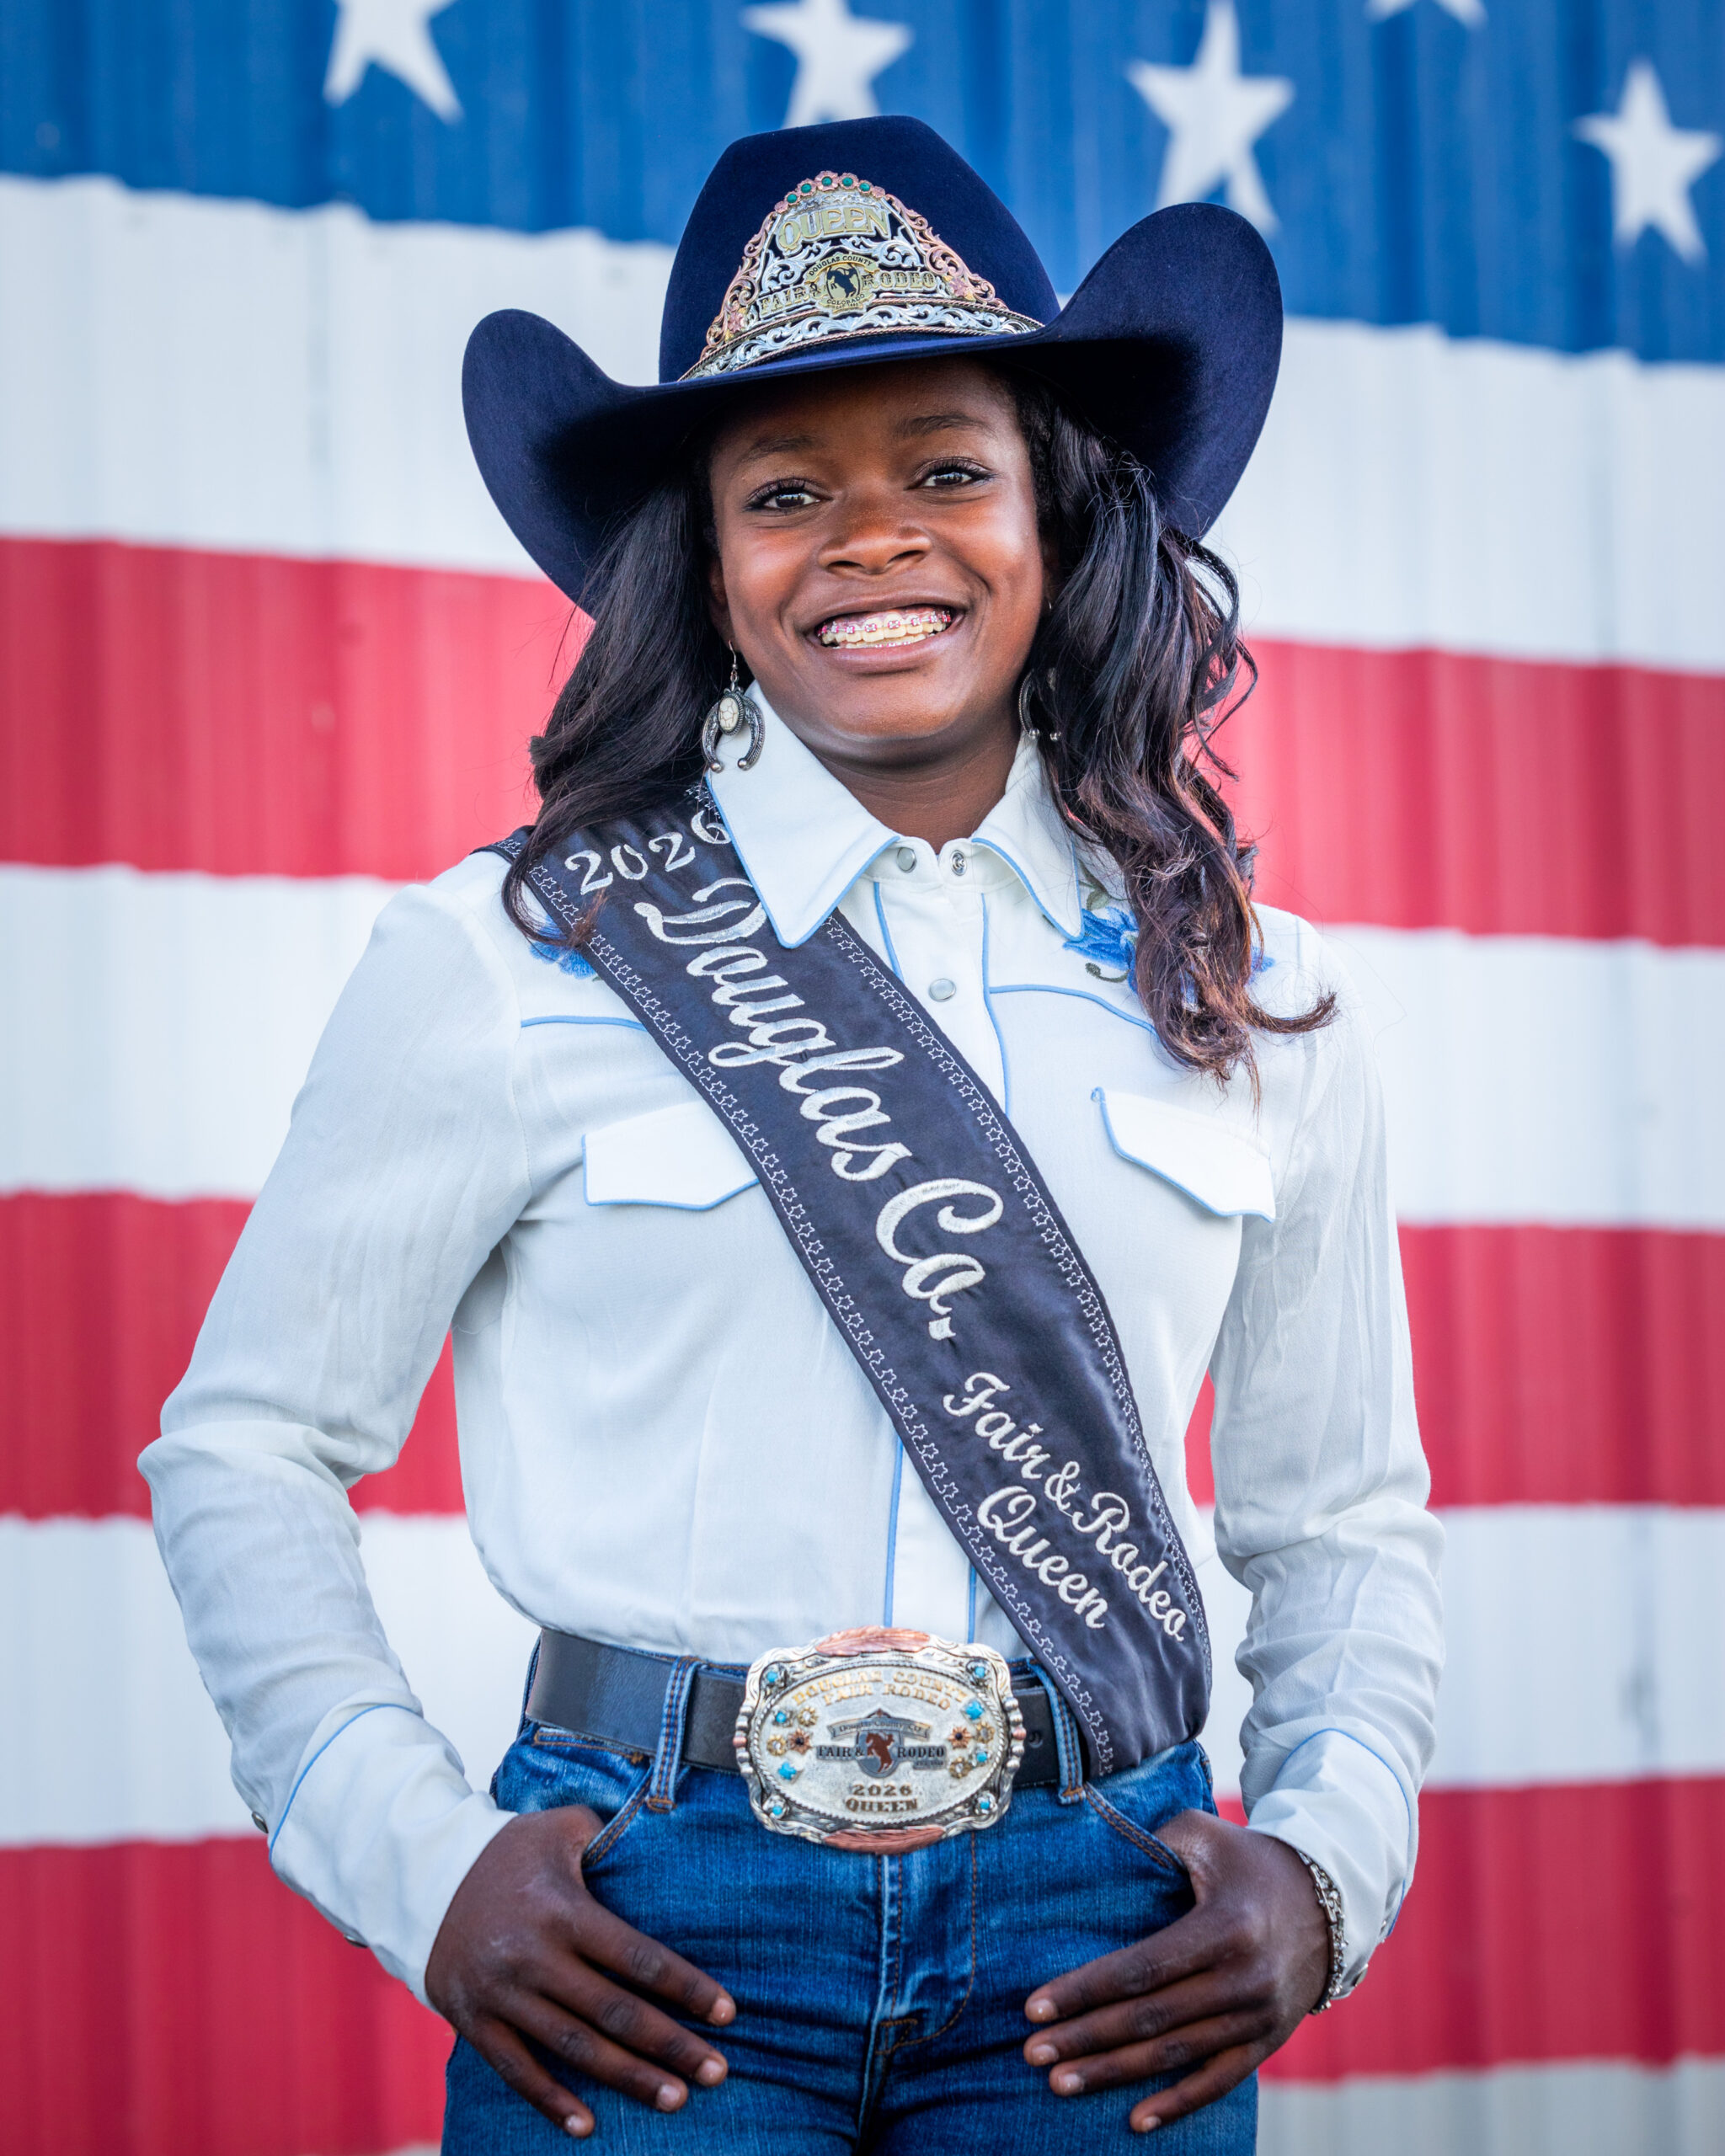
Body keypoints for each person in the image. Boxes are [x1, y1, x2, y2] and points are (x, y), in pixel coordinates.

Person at [145, 117, 1442, 2154]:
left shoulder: (1254, 988)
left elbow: (1337, 1515)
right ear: (708, 557)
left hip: (1104, 1912)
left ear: (1056, 513)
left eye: (944, 466)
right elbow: (244, 1440)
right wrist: (408, 1854)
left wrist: (1332, 1860)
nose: (871, 538)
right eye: (783, 492)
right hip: (649, 1912)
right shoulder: (511, 954)